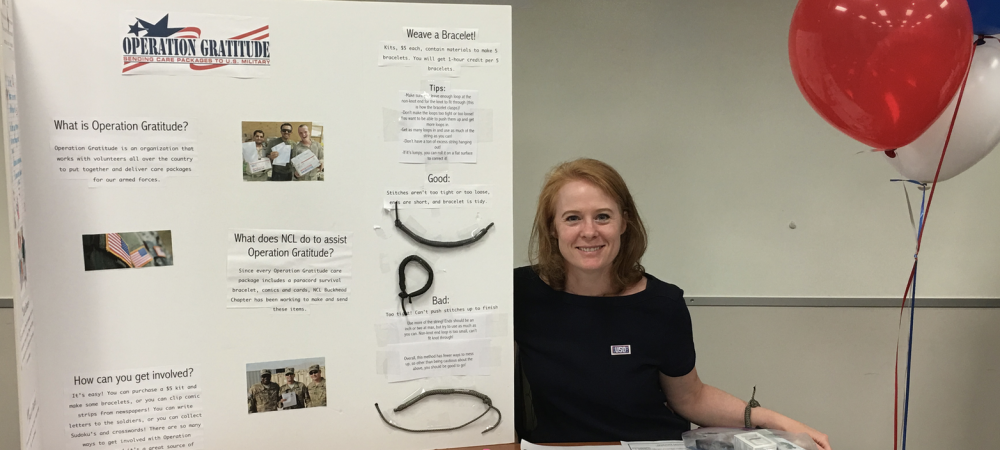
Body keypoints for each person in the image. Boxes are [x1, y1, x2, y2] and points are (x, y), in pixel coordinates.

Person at [514, 158, 831, 449]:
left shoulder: (661, 304)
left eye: (602, 216)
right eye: (572, 218)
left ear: (624, 222)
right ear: (552, 228)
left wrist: (775, 420)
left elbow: (690, 397)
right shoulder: (518, 293)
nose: (589, 231)